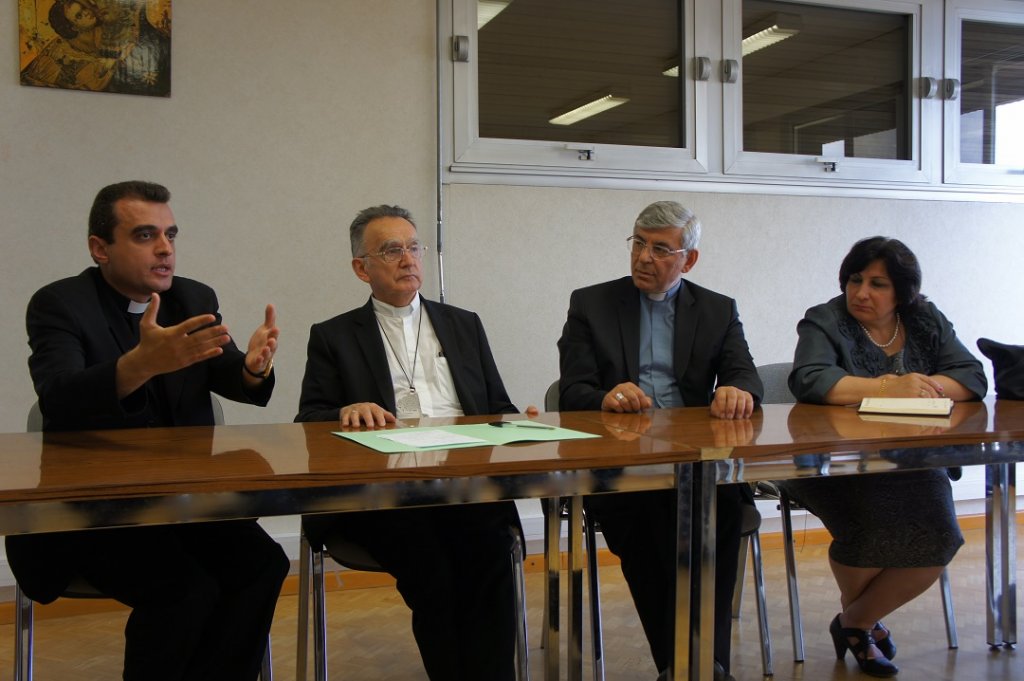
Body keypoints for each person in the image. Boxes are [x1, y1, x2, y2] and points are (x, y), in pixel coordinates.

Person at [6, 180, 289, 681]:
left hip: (183, 502)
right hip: (94, 511)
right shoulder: (60, 304)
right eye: (144, 236)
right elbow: (59, 400)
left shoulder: (192, 296)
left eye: (170, 234)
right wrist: (137, 366)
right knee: (186, 590)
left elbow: (222, 368)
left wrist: (251, 368)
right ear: (100, 248)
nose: (165, 249)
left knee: (263, 566)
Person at [295, 204, 535, 681]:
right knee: (434, 571)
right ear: (361, 268)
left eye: (413, 247)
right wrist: (345, 412)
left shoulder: (464, 324)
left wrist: (519, 422)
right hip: (384, 498)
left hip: (464, 487)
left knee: (489, 559)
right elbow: (309, 421)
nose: (408, 259)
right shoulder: (333, 336)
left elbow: (497, 406)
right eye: (391, 250)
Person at [557, 200, 763, 681]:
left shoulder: (716, 309)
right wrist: (607, 395)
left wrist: (738, 390)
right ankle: (685, 667)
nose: (643, 258)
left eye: (660, 249)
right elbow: (571, 391)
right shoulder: (591, 304)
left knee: (724, 515)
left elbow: (745, 375)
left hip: (697, 462)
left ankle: (702, 666)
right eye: (638, 244)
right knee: (648, 530)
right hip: (624, 462)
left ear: (688, 260)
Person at [785, 236, 986, 678]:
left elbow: (971, 376)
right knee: (869, 532)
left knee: (943, 537)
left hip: (912, 459)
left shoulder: (926, 319)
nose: (861, 292)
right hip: (837, 462)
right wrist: (887, 387)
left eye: (878, 284)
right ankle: (863, 625)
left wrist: (925, 387)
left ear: (902, 293)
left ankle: (854, 621)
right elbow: (812, 379)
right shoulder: (826, 319)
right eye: (855, 280)